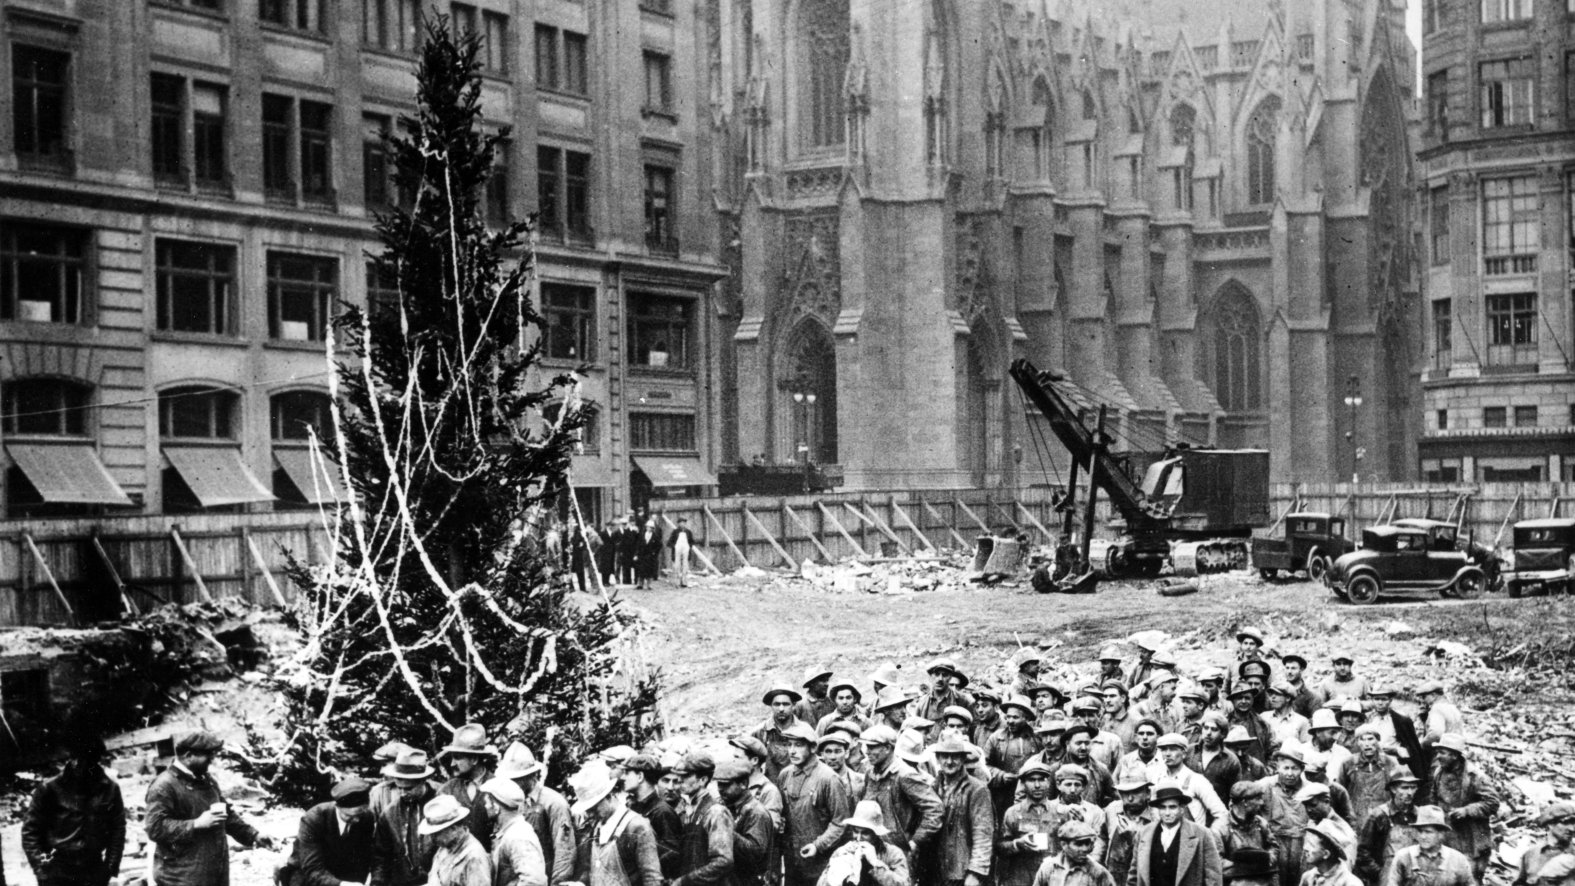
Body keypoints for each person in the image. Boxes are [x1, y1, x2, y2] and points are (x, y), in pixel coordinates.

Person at [143, 730, 274, 886]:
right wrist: (196, 824)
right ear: (188, 756)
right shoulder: (164, 786)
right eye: (208, 755)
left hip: (213, 872)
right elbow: (155, 828)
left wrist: (254, 836)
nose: (212, 760)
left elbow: (227, 815)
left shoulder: (207, 780)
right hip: (181, 877)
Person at [22, 733, 125, 886]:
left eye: (89, 760)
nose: (82, 765)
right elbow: (30, 832)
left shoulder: (109, 788)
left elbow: (118, 829)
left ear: (97, 760)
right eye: (78, 758)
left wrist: (110, 867)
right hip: (59, 870)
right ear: (71, 757)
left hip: (94, 870)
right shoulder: (50, 789)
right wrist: (41, 869)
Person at [567, 760, 663, 886]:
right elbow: (591, 870)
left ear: (609, 796)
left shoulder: (636, 827)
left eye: (594, 808)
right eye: (587, 810)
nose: (590, 815)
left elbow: (652, 878)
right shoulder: (597, 828)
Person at [780, 723, 854, 886]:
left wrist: (817, 845)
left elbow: (840, 822)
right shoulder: (785, 775)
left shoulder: (828, 778)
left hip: (821, 862)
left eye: (798, 745)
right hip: (793, 861)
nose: (792, 750)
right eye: (789, 744)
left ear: (813, 747)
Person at [856, 725, 943, 862]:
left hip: (898, 852)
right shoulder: (870, 774)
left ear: (888, 748)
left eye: (873, 747)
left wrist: (915, 842)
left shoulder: (905, 775)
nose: (867, 751)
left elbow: (935, 809)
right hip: (871, 849)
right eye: (867, 746)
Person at [1422, 733, 1499, 881]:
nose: (1438, 756)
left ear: (1455, 756)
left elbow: (1493, 802)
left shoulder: (1474, 776)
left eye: (1442, 753)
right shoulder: (1439, 772)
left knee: (1469, 877)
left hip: (1470, 838)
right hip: (1446, 835)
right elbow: (1433, 799)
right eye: (1438, 752)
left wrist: (1467, 811)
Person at [499, 742, 578, 886]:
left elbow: (564, 851)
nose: (512, 784)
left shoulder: (553, 803)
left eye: (517, 779)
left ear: (531, 776)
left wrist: (557, 883)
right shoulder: (512, 801)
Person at [277, 776, 375, 886]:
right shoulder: (313, 820)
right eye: (349, 816)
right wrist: (341, 884)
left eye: (360, 814)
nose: (357, 820)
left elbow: (362, 860)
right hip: (307, 876)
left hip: (341, 875)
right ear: (337, 807)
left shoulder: (367, 818)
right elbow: (312, 869)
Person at [1125, 783, 1223, 886]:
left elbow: (1213, 879)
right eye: (1163, 807)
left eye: (1172, 807)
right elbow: (1133, 877)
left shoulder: (1201, 834)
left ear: (1181, 809)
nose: (1167, 813)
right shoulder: (1144, 834)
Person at [930, 737, 995, 886]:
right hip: (936, 870)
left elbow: (983, 833)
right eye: (944, 756)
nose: (949, 761)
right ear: (938, 758)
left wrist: (975, 872)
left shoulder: (977, 789)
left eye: (955, 756)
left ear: (963, 758)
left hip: (962, 872)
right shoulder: (932, 787)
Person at [371, 747, 439, 886]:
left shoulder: (441, 804)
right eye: (398, 787)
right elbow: (381, 857)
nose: (402, 793)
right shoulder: (389, 814)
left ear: (422, 781)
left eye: (408, 788)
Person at [668, 752, 736, 886]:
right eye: (679, 775)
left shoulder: (715, 812)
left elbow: (723, 861)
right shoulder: (686, 809)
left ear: (703, 780)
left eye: (686, 776)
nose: (679, 780)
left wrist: (685, 881)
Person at [716, 758, 778, 886]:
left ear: (743, 784)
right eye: (719, 784)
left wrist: (726, 830)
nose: (721, 789)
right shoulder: (727, 806)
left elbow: (754, 854)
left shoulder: (756, 813)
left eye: (726, 785)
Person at [815, 801, 909, 886]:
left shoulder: (893, 854)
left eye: (865, 833)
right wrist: (838, 866)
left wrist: (875, 864)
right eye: (855, 831)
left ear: (876, 834)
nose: (859, 838)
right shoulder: (842, 851)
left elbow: (905, 884)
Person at [438, 723, 502, 848]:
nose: (452, 764)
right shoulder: (447, 790)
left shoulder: (499, 788)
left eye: (457, 758)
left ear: (474, 759)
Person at [998, 761, 1061, 886]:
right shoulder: (1013, 813)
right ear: (1023, 784)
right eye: (1032, 780)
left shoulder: (1060, 812)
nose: (1037, 785)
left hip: (1053, 877)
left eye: (1042, 780)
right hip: (1021, 877)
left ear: (1048, 782)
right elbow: (1000, 847)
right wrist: (1017, 844)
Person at [1354, 774, 1422, 886]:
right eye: (1405, 787)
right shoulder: (1379, 815)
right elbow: (1362, 852)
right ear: (1393, 789)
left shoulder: (1419, 816)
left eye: (1413, 787)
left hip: (1414, 877)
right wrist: (1380, 873)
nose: (1410, 793)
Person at [622, 754, 683, 879]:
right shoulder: (634, 807)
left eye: (627, 773)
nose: (623, 777)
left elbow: (672, 856)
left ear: (640, 777)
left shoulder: (662, 812)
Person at [1153, 735, 1227, 837]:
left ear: (1183, 754)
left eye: (1173, 749)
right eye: (1164, 750)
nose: (1168, 754)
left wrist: (1210, 838)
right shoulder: (1158, 779)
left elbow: (1222, 814)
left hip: (1192, 842)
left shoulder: (1197, 780)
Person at [1258, 745, 1311, 886]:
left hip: (1301, 841)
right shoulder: (1265, 785)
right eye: (1285, 768)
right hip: (1274, 840)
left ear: (1302, 770)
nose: (1290, 773)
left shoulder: (1309, 789)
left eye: (1294, 768)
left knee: (1299, 879)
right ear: (1277, 768)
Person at [480, 776, 548, 886]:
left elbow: (534, 881)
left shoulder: (517, 836)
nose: (485, 806)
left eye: (487, 802)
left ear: (496, 807)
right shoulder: (509, 832)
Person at [1381, 806, 1473, 886]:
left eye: (1428, 832)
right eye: (1420, 831)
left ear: (1441, 834)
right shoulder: (1403, 857)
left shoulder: (1457, 859)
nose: (1423, 836)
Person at [421, 794, 494, 886]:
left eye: (437, 833)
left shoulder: (474, 856)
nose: (432, 839)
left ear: (454, 828)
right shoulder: (445, 848)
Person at [1339, 725, 1400, 832]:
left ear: (1377, 741)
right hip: (1356, 818)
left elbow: (1398, 791)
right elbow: (1340, 793)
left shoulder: (1390, 763)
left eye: (1371, 739)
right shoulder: (1348, 763)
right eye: (1362, 739)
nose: (1367, 744)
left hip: (1383, 815)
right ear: (1357, 743)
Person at [1217, 782, 1278, 886]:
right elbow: (1216, 861)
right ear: (1245, 802)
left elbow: (1273, 846)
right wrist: (1243, 868)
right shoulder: (1220, 829)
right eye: (1258, 799)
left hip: (1262, 879)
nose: (1262, 802)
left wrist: (1268, 859)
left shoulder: (1261, 823)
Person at [727, 736, 787, 834]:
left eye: (737, 757)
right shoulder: (736, 786)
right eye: (734, 757)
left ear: (754, 760)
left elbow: (770, 828)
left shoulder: (769, 791)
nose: (733, 761)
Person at [1100, 779, 1154, 886]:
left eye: (1136, 792)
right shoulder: (1112, 809)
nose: (1130, 798)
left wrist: (1133, 839)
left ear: (1148, 794)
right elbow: (1101, 837)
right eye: (1124, 793)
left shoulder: (1157, 816)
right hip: (1113, 875)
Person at [1363, 687, 1424, 781]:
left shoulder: (1401, 721)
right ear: (1372, 700)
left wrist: (1396, 750)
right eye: (1377, 699)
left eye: (1383, 699)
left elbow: (1412, 748)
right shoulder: (1367, 719)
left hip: (1394, 764)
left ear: (1390, 701)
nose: (1380, 703)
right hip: (1371, 763)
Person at [1033, 820, 1118, 886]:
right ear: (1064, 845)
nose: (1085, 849)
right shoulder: (1048, 869)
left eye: (1087, 843)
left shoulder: (1098, 873)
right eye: (1079, 844)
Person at [757, 684, 811, 781]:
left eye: (786, 704)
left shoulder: (805, 730)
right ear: (771, 706)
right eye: (777, 704)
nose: (781, 709)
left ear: (793, 705)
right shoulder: (760, 732)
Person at [916, 659, 976, 746]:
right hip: (928, 752)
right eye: (936, 674)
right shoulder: (922, 703)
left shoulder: (963, 700)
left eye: (945, 675)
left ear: (950, 677)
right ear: (930, 677)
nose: (940, 679)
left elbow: (973, 731)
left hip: (954, 751)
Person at [1514, 802, 1575, 886]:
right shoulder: (1531, 854)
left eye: (1573, 823)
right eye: (1565, 823)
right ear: (1550, 824)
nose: (1572, 828)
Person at [1188, 715, 1241, 809]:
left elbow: (1235, 794)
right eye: (1206, 728)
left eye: (1214, 729)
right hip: (1190, 810)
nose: (1208, 733)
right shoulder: (1190, 751)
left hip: (1215, 813)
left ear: (1223, 734)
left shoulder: (1230, 760)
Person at [1297, 783, 1355, 864]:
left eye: (1313, 805)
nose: (1308, 810)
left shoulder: (1341, 829)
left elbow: (1344, 866)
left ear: (1327, 801)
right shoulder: (1312, 822)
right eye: (1305, 806)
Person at [1298, 820, 1362, 886]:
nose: (1305, 848)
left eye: (1312, 845)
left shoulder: (1351, 883)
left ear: (1326, 854)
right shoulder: (1308, 877)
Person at [1226, 687, 1276, 766]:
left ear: (1252, 700)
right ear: (1233, 700)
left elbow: (1273, 749)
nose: (1243, 701)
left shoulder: (1262, 724)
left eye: (1247, 698)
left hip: (1256, 771)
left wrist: (1268, 770)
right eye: (1239, 698)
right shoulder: (1224, 723)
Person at [1415, 684, 1464, 756]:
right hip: (1454, 752)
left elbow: (1436, 733)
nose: (1423, 700)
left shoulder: (1437, 708)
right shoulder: (1452, 707)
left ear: (1433, 695)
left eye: (1424, 697)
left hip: (1441, 753)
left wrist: (1421, 746)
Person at [1115, 722, 1166, 790]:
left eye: (1150, 734)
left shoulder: (1165, 759)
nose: (1145, 737)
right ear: (1136, 737)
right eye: (1141, 734)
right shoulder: (1126, 760)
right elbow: (1115, 783)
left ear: (1158, 737)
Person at [1306, 712, 1352, 785]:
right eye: (1332, 733)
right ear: (1318, 732)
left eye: (1337, 733)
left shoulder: (1344, 754)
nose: (1336, 738)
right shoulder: (1301, 752)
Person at [1264, 683, 1311, 750]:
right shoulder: (1263, 717)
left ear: (1288, 698)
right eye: (1271, 694)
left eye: (1277, 694)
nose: (1272, 697)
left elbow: (1306, 748)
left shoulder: (1301, 721)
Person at [1279, 656, 1324, 721]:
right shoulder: (1277, 692)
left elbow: (1316, 719)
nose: (1289, 672)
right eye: (1287, 668)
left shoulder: (1311, 697)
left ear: (1301, 669)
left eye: (1293, 668)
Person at [819, 733, 865, 797]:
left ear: (846, 753)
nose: (833, 757)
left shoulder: (862, 781)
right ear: (822, 755)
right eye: (828, 752)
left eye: (838, 751)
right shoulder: (815, 782)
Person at [667, 518, 696, 588]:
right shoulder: (675, 532)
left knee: (685, 567)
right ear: (678, 524)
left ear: (685, 524)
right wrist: (675, 547)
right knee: (677, 566)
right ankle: (676, 582)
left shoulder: (688, 532)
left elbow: (692, 542)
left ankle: (684, 582)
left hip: (685, 551)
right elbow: (669, 543)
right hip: (677, 552)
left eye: (684, 523)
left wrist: (688, 547)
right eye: (681, 523)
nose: (682, 524)